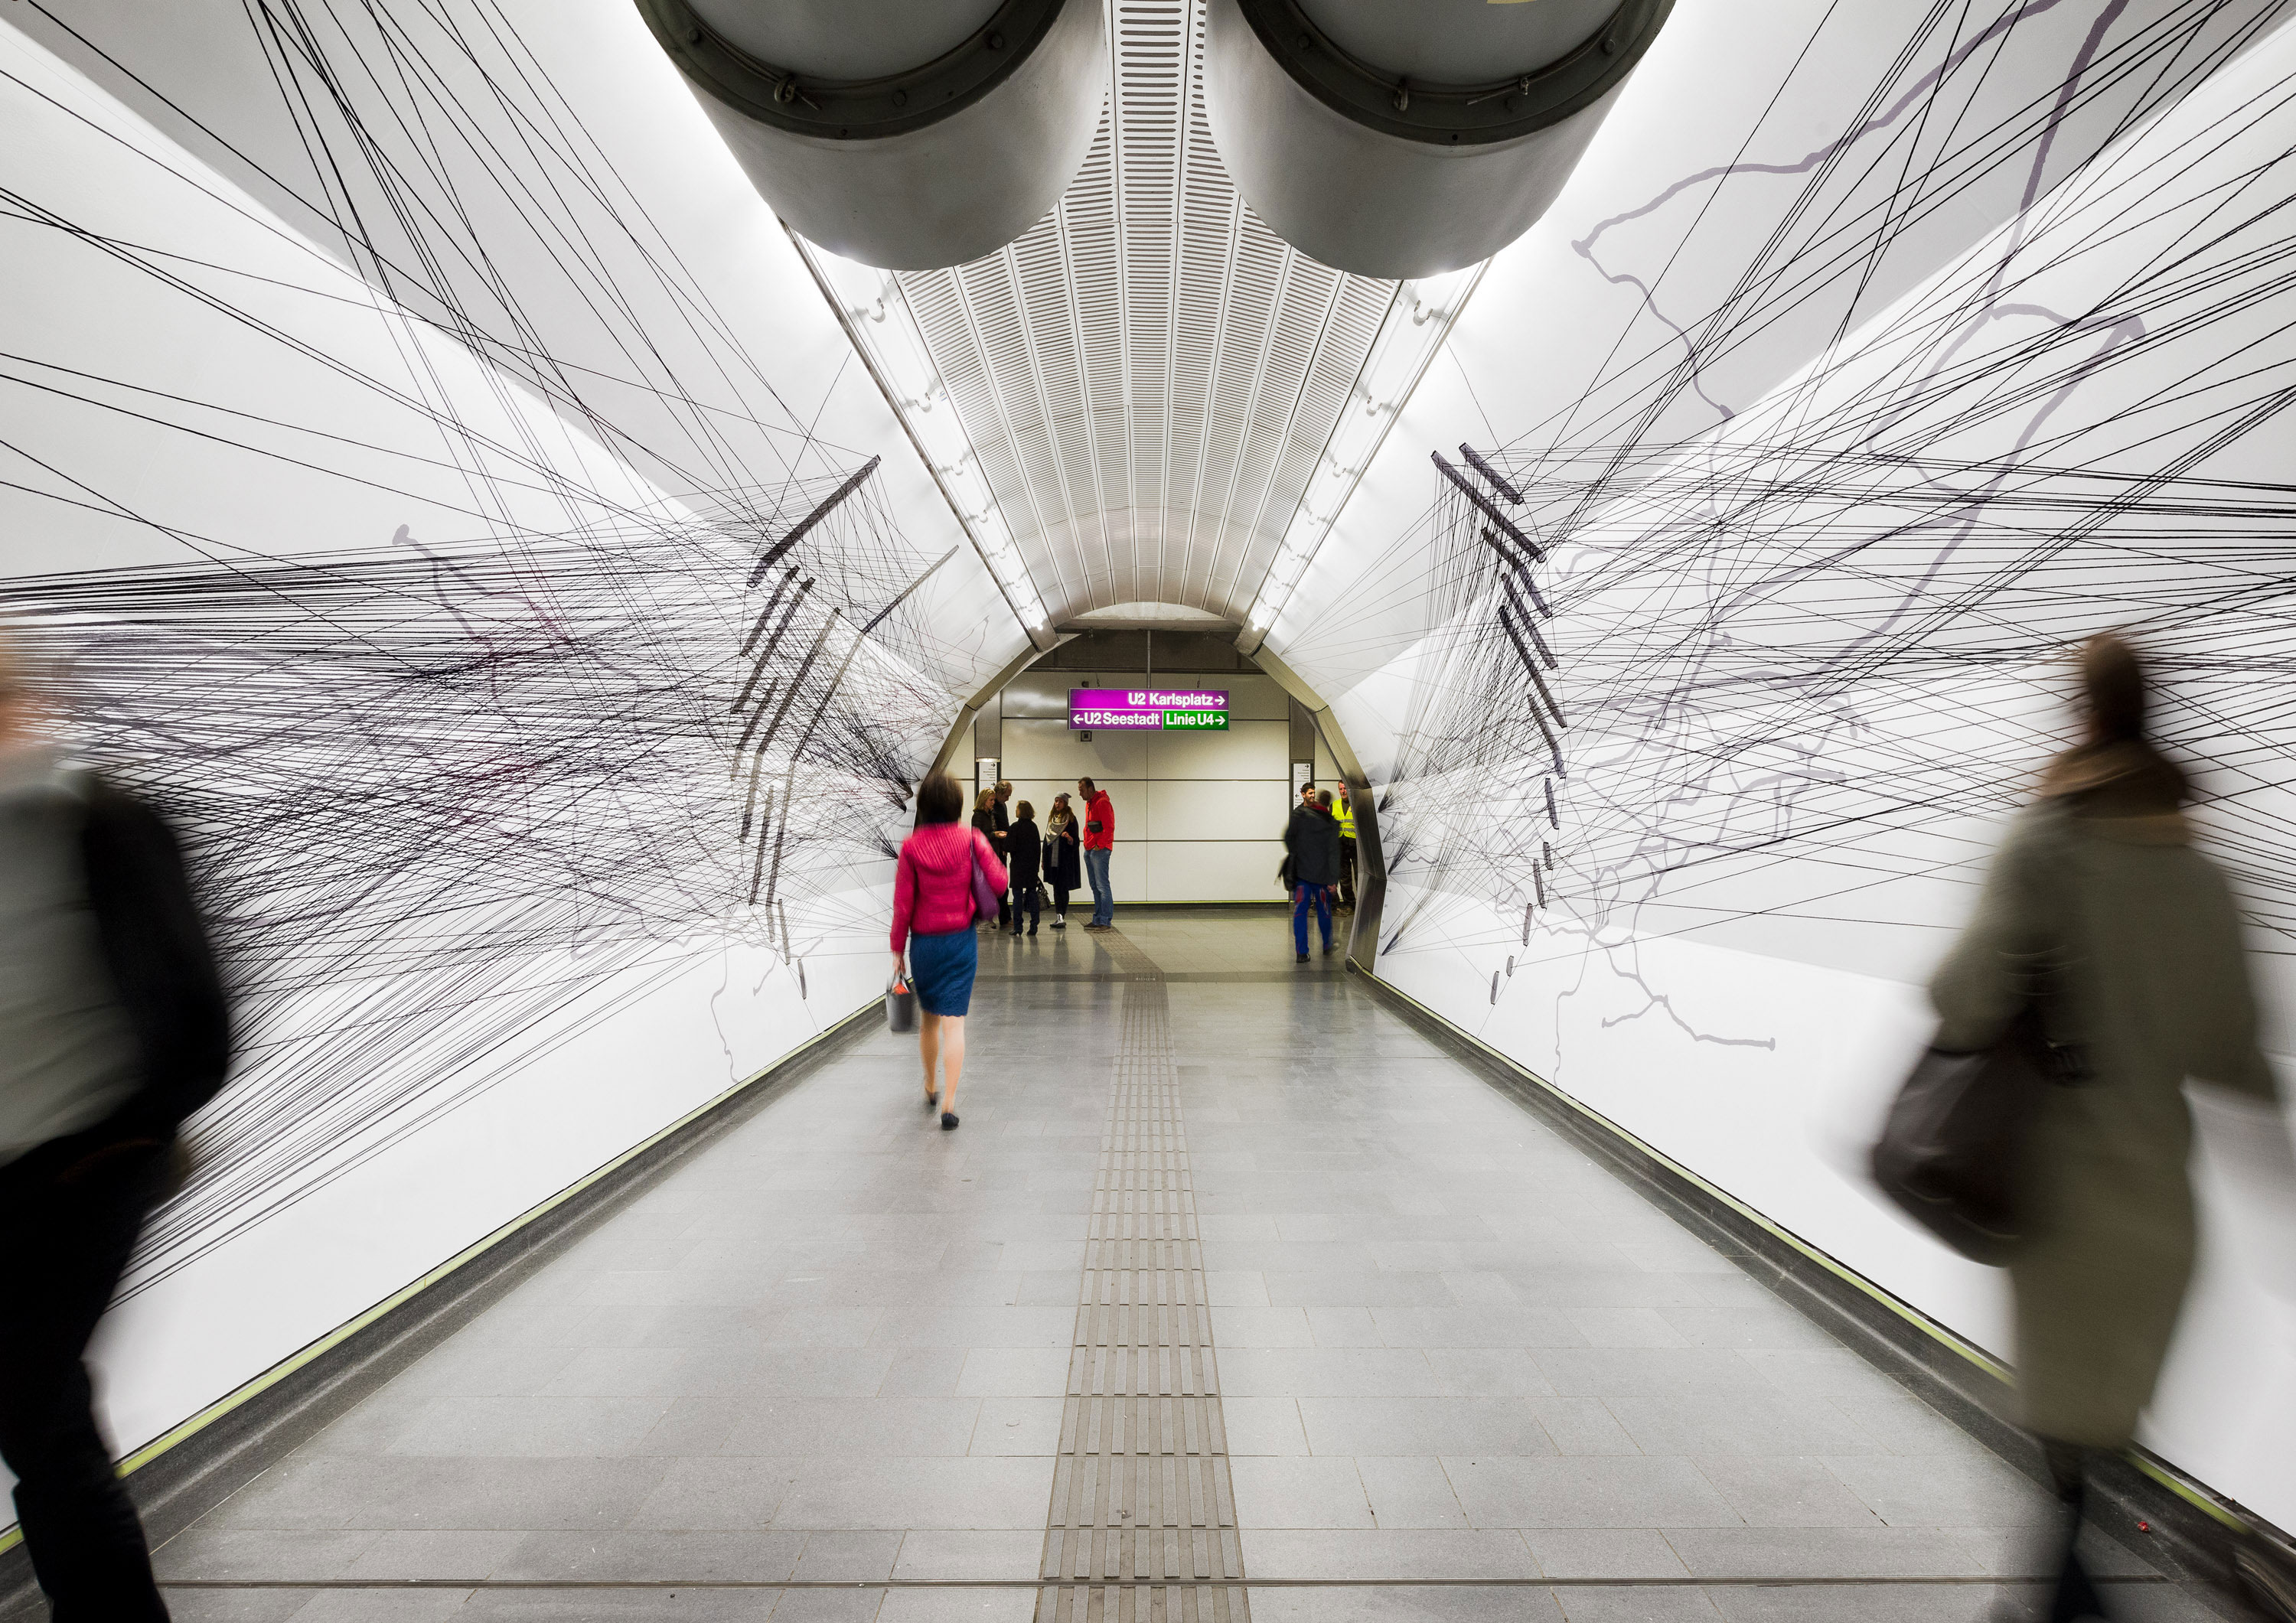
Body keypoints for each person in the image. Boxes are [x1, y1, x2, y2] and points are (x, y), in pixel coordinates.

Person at [1928, 632, 2279, 1622]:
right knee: (2104, 1421)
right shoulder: (2203, 874)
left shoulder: (2043, 849)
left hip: (2058, 1198)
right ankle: (2076, 1584)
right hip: (2161, 1210)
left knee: (2067, 1436)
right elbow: (2237, 1053)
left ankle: (2065, 1591)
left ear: (2079, 712)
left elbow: (1960, 997)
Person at [0, 644, 233, 1623]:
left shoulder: (108, 823)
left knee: (32, 1397)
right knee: (39, 1410)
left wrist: (131, 1141)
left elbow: (200, 1016)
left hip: (85, 1167)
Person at [893, 773, 1006, 1131]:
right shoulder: (971, 839)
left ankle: (929, 1085)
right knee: (954, 1024)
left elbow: (902, 905)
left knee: (929, 1019)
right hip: (960, 941)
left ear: (924, 806)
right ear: (957, 805)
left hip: (925, 945)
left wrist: (897, 949)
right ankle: (949, 1103)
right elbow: (1001, 882)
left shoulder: (911, 847)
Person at [1283, 787, 1343, 963]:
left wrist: (1298, 855)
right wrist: (1333, 880)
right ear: (1329, 805)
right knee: (1324, 911)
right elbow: (1333, 854)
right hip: (1323, 877)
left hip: (1302, 874)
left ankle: (1302, 952)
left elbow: (1287, 838)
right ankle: (1327, 945)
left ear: (1316, 800)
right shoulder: (1332, 824)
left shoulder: (1300, 815)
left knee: (1300, 912)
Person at [1078, 776, 1116, 930]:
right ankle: (1098, 918)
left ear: (1090, 789)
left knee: (1102, 886)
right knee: (1095, 886)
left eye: (1082, 790)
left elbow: (1109, 826)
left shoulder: (1102, 802)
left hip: (1099, 850)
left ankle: (1105, 919)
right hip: (1090, 849)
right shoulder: (1090, 804)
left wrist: (1100, 845)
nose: (1080, 793)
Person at [1006, 800, 1042, 938]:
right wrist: (1036, 867)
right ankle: (1034, 925)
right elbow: (1037, 849)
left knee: (1017, 896)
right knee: (1032, 894)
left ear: (1021, 811)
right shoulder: (1034, 827)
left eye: (1017, 809)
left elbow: (1009, 847)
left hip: (1018, 867)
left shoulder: (1015, 827)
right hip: (1031, 867)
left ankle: (1018, 927)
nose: (1015, 811)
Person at [1044, 793, 1081, 929]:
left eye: (1060, 801)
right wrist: (1043, 859)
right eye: (1056, 801)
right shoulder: (1052, 819)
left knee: (1063, 888)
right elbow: (1046, 839)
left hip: (1065, 860)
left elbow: (1076, 841)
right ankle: (1058, 915)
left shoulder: (1070, 819)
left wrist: (1069, 838)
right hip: (1053, 858)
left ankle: (1061, 915)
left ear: (1065, 804)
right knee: (1055, 886)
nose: (1057, 804)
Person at [968, 789, 1003, 930]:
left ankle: (988, 917)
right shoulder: (978, 816)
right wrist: (995, 834)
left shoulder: (991, 815)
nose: (993, 803)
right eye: (991, 800)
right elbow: (977, 836)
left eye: (994, 800)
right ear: (984, 801)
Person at [992, 781, 1014, 929]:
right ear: (999, 793)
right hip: (995, 850)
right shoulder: (993, 806)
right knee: (998, 885)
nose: (1008, 798)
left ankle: (1004, 917)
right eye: (1007, 795)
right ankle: (1003, 917)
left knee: (1001, 885)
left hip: (1001, 849)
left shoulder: (1001, 805)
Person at [1333, 781, 1357, 912]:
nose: (1343, 791)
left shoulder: (1357, 804)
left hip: (1355, 846)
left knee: (1360, 877)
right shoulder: (1335, 805)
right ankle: (1349, 904)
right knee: (1345, 878)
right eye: (1341, 789)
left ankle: (1361, 906)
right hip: (1341, 846)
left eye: (1345, 789)